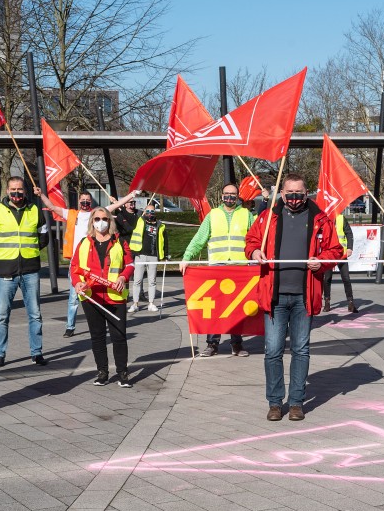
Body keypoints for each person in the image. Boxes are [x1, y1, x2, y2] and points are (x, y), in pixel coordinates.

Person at [246, 174, 343, 421]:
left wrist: (321, 262)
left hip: (304, 296)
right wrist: (255, 251)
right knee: (273, 351)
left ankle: (297, 402)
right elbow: (251, 241)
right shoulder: (268, 217)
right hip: (274, 296)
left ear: (306, 192)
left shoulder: (321, 219)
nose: (295, 199)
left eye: (299, 193)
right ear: (282, 194)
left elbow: (336, 251)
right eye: (289, 194)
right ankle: (275, 403)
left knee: (301, 350)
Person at [34, 186, 138, 338]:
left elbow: (115, 205)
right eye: (82, 201)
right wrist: (41, 194)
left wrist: (132, 194)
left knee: (99, 292)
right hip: (78, 262)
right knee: (74, 296)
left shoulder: (97, 214)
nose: (85, 203)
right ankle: (70, 326)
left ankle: (101, 321)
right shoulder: (71, 214)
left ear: (91, 202)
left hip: (96, 259)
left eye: (87, 201)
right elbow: (52, 207)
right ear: (78, 202)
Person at [180, 183, 254, 357]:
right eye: (227, 194)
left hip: (239, 267)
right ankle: (212, 344)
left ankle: (237, 344)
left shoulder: (247, 214)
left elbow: (256, 238)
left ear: (238, 197)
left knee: (236, 308)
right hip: (217, 268)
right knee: (215, 308)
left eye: (233, 194)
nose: (230, 197)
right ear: (222, 196)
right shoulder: (212, 215)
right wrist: (186, 257)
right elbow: (199, 239)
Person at [0, 177, 49, 368]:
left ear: (25, 191)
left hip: (30, 270)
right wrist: (2, 254)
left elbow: (44, 235)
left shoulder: (35, 210)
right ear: (7, 191)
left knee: (35, 314)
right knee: (2, 315)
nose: (16, 193)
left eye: (20, 189)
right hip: (5, 271)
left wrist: (33, 250)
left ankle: (37, 353)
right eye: (13, 189)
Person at [70, 207, 135, 387]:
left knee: (119, 336)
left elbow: (130, 264)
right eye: (97, 219)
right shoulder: (84, 242)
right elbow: (74, 267)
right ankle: (102, 372)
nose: (101, 222)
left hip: (115, 297)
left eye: (105, 219)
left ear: (110, 221)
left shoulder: (120, 242)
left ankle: (122, 373)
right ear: (92, 221)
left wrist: (123, 276)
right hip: (91, 297)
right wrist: (77, 283)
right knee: (97, 336)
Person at [128, 204, 167, 312]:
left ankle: (151, 303)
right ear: (145, 212)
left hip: (153, 256)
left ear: (155, 213)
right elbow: (130, 213)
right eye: (148, 211)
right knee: (137, 280)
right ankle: (135, 304)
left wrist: (165, 255)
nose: (150, 214)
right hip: (140, 255)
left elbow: (165, 241)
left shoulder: (160, 225)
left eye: (152, 212)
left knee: (152, 280)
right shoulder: (139, 220)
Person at [322, 214, 358, 313]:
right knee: (327, 278)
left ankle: (350, 302)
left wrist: (350, 248)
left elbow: (349, 233)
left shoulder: (340, 218)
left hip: (341, 253)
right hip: (328, 254)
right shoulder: (323, 218)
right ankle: (327, 302)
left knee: (346, 278)